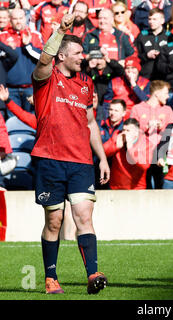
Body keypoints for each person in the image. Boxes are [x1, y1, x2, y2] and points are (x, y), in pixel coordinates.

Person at [31, 13, 110, 294]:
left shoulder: (86, 83)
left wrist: (101, 157)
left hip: (80, 162)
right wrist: (59, 31)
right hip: (50, 160)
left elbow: (90, 123)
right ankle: (51, 277)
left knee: (84, 217)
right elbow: (42, 61)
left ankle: (93, 274)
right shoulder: (46, 78)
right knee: (54, 220)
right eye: (77, 52)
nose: (82, 56)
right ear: (61, 56)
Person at [131, 80, 173, 189]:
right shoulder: (137, 109)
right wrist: (146, 126)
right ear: (157, 93)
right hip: (142, 154)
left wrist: (161, 127)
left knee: (160, 186)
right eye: (165, 93)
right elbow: (130, 131)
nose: (167, 96)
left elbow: (172, 133)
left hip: (160, 155)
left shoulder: (168, 110)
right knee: (144, 186)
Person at [0, 8, 43, 117]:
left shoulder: (34, 35)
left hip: (30, 88)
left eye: (21, 18)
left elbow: (43, 59)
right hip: (11, 89)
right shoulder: (3, 36)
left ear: (26, 18)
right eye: (15, 18)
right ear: (10, 20)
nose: (18, 21)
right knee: (13, 124)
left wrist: (28, 46)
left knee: (32, 122)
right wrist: (8, 51)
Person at [103, 118, 154, 189]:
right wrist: (115, 147)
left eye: (128, 131)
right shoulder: (118, 135)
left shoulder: (146, 143)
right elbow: (102, 152)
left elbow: (144, 165)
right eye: (124, 130)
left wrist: (130, 148)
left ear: (137, 132)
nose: (125, 133)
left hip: (136, 187)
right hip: (116, 186)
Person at [103, 55, 150, 121]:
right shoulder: (115, 82)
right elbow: (106, 103)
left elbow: (146, 101)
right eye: (127, 68)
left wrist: (134, 85)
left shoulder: (145, 83)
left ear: (138, 69)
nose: (130, 71)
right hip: (118, 117)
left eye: (133, 68)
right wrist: (107, 119)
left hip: (136, 117)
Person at [84, 46, 124, 122]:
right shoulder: (90, 70)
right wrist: (88, 67)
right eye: (95, 59)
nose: (98, 62)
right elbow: (81, 78)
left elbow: (121, 71)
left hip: (109, 105)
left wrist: (108, 60)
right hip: (94, 105)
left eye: (100, 58)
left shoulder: (111, 67)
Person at [134, 8, 171, 81]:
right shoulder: (142, 36)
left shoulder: (169, 37)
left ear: (162, 21)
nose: (151, 22)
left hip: (163, 78)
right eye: (149, 19)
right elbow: (135, 56)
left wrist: (162, 56)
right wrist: (147, 55)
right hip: (145, 77)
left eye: (154, 19)